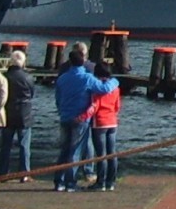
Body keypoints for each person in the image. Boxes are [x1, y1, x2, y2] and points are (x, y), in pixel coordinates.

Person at [52, 43, 109, 192]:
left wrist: (61, 111)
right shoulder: (87, 78)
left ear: (70, 62)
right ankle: (70, 183)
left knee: (64, 150)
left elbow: (58, 98)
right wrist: (115, 81)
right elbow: (104, 89)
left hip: (65, 116)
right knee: (75, 150)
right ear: (83, 60)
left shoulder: (62, 78)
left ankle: (59, 181)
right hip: (81, 118)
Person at [83, 57, 123, 191]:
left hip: (99, 122)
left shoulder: (98, 89)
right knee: (112, 153)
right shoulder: (115, 88)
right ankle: (111, 182)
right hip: (112, 121)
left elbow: (94, 107)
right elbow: (117, 106)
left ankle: (101, 182)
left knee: (101, 154)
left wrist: (82, 117)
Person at [0, 49, 36, 178]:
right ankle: (24, 173)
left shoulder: (4, 77)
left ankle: (3, 172)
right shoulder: (28, 77)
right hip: (24, 114)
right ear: (23, 62)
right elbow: (31, 93)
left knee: (5, 145)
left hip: (8, 112)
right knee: (24, 145)